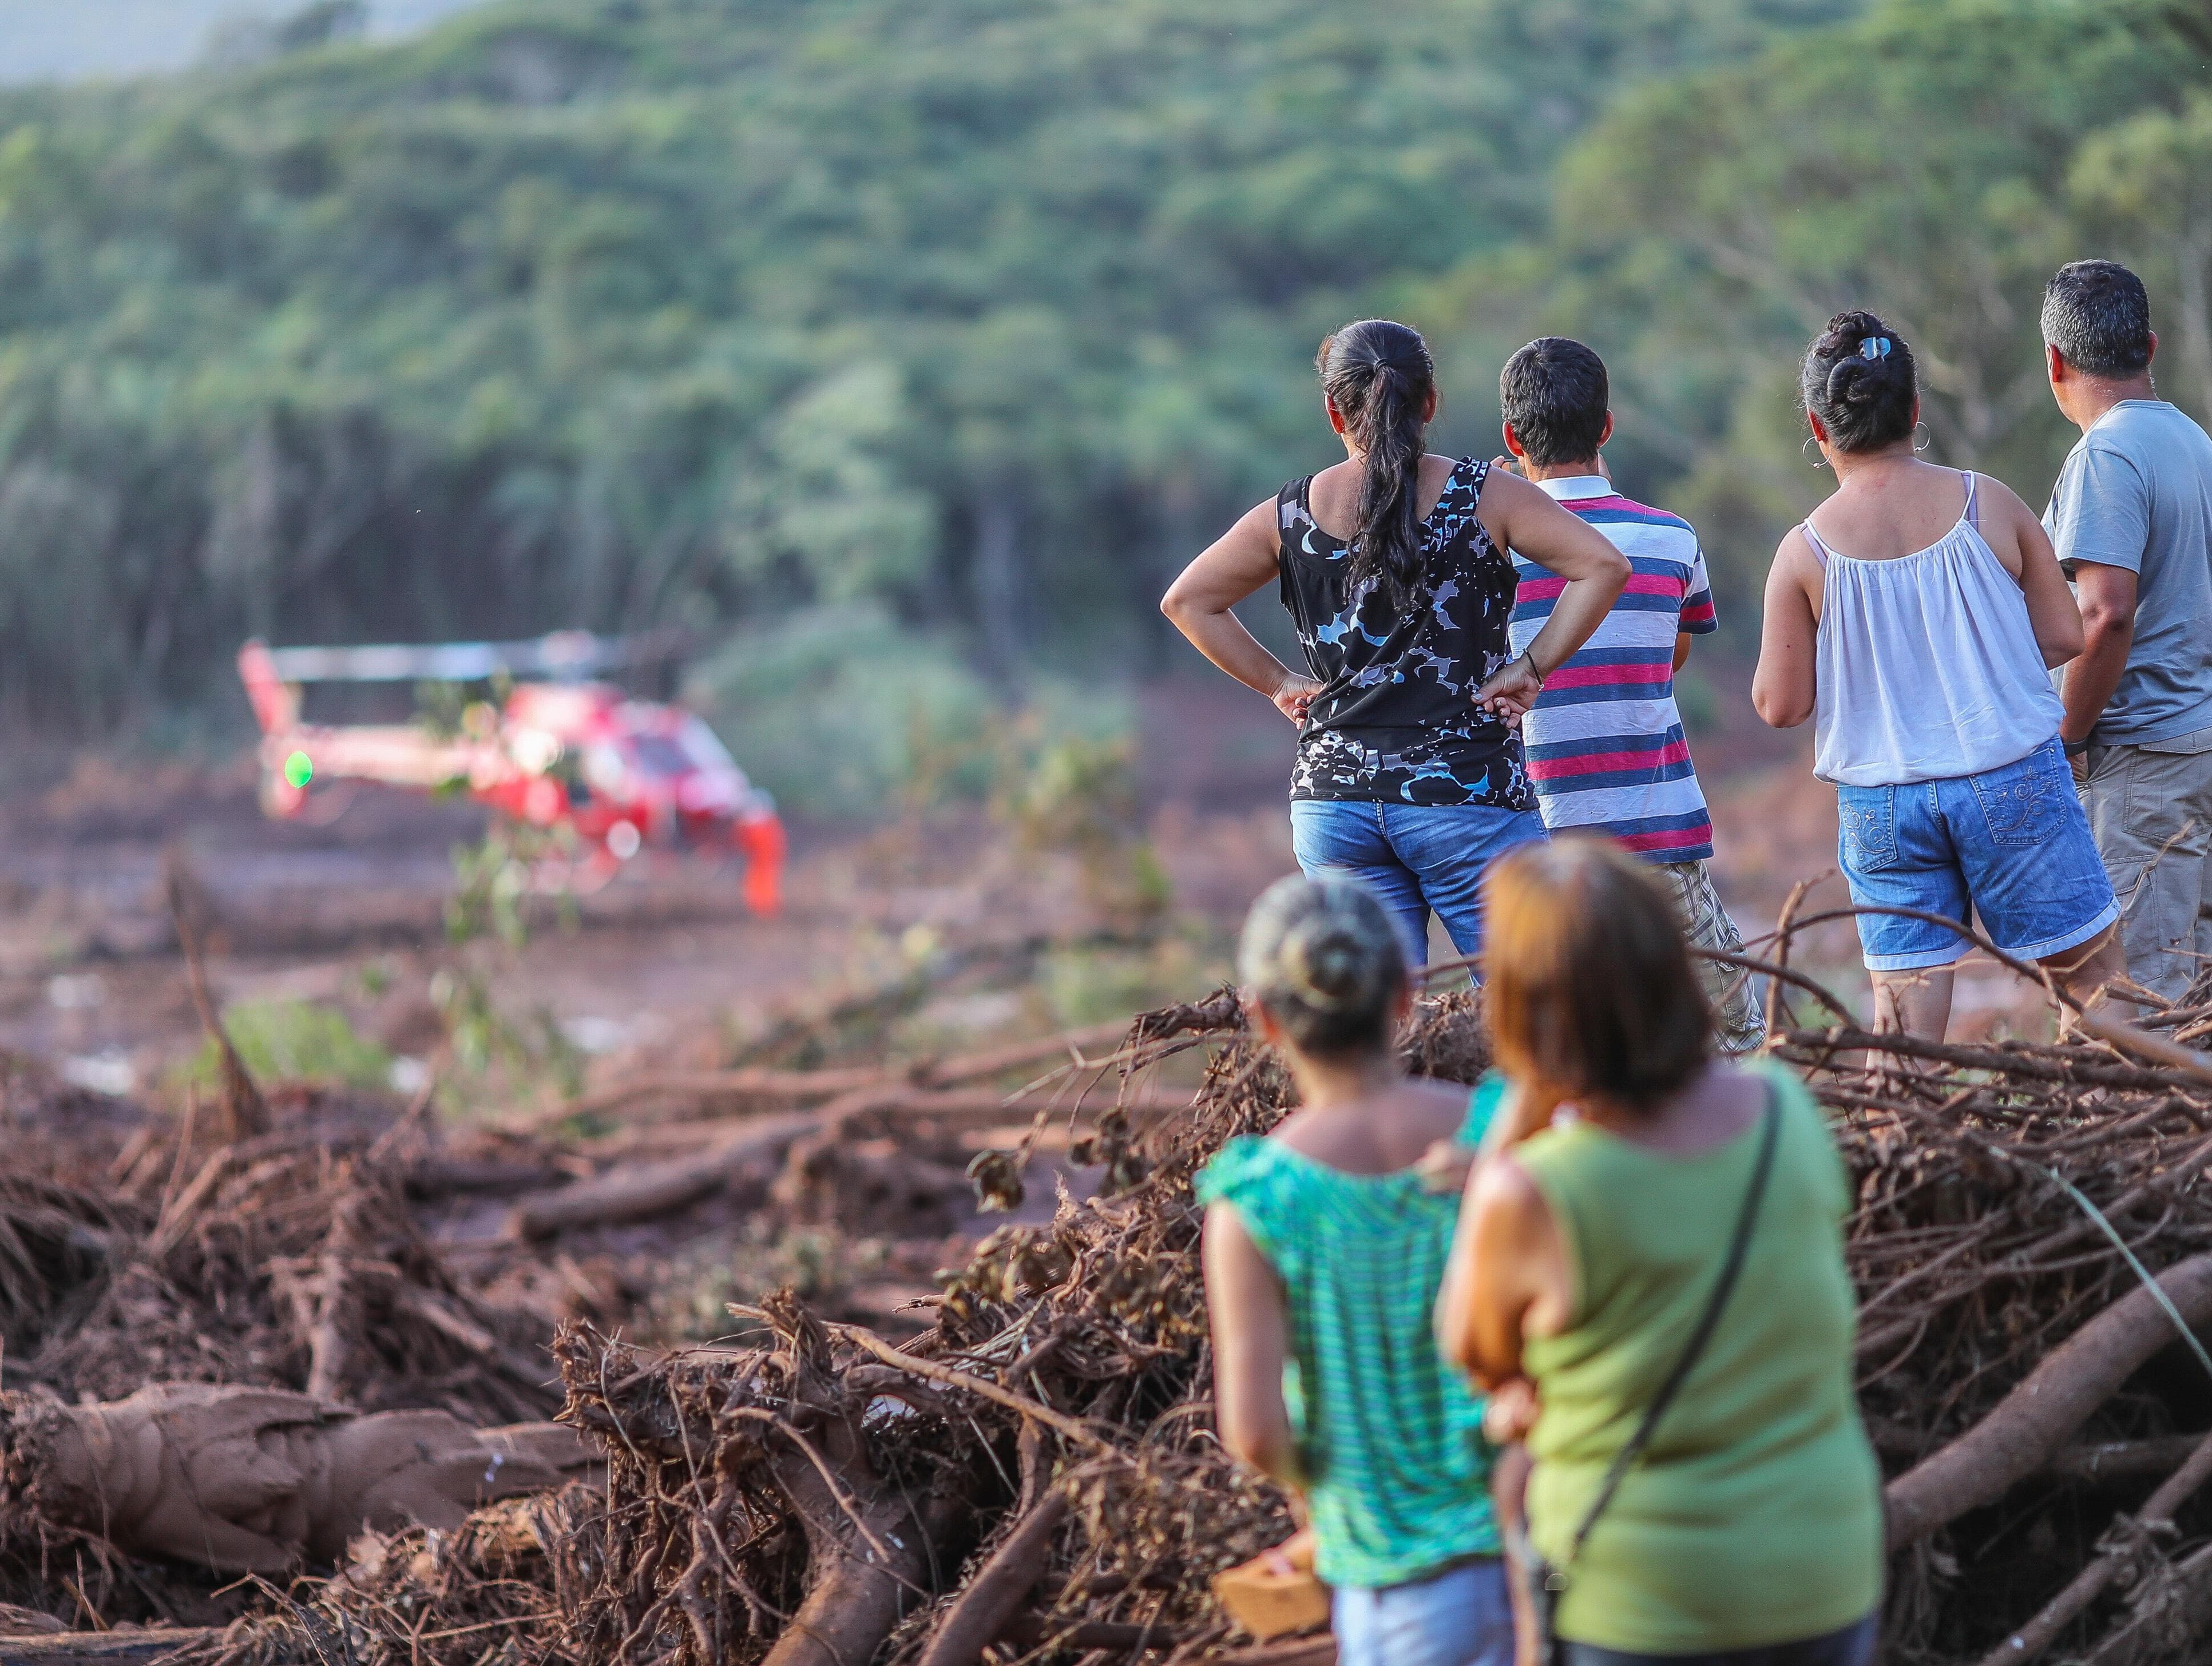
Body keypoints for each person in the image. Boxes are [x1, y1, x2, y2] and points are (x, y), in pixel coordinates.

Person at [1436, 838, 1882, 1666]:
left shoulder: (1535, 1191)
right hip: (1825, 1567)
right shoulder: (1784, 1111)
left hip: (1645, 1603)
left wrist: (1523, 1102)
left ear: (1523, 1009)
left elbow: (1471, 1350)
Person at [1163, 319, 1630, 967]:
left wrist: (1279, 682)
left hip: (1334, 803)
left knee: (1381, 1020)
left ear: (1333, 412)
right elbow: (1603, 566)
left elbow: (1187, 601)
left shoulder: (1290, 513)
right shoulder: (1487, 495)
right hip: (1465, 795)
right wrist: (1530, 667)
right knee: (1536, 1007)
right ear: (1430, 402)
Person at [1751, 310, 2122, 1038]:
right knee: (2093, 989)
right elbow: (2060, 634)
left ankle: (1898, 1145)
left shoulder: (1802, 554)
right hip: (2010, 776)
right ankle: (2127, 1134)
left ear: (1816, 427)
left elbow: (1778, 704)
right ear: (1913, 411)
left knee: (1901, 1020)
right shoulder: (1989, 501)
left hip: (1881, 805)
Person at [1198, 874, 1515, 1666]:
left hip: (1396, 1590)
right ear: (1405, 995)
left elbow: (1256, 1431)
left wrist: (1326, 1491)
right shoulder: (1495, 1133)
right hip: (1549, 1555)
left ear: (1264, 1019)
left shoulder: (1260, 1200)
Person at [1497, 337, 1763, 1053]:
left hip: (1542, 846)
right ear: (1606, 428)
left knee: (1566, 1044)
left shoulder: (1487, 549)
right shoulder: (1670, 539)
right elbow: (1667, 656)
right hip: (1656, 834)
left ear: (1511, 437)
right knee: (1728, 1033)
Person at [2043, 259, 2212, 1005]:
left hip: (2138, 764)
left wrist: (2069, 737)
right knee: (2193, 994)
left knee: (2136, 1005)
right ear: (2148, 345)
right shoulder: (2193, 442)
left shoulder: (2105, 455)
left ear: (2054, 362)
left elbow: (2105, 612)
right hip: (2195, 747)